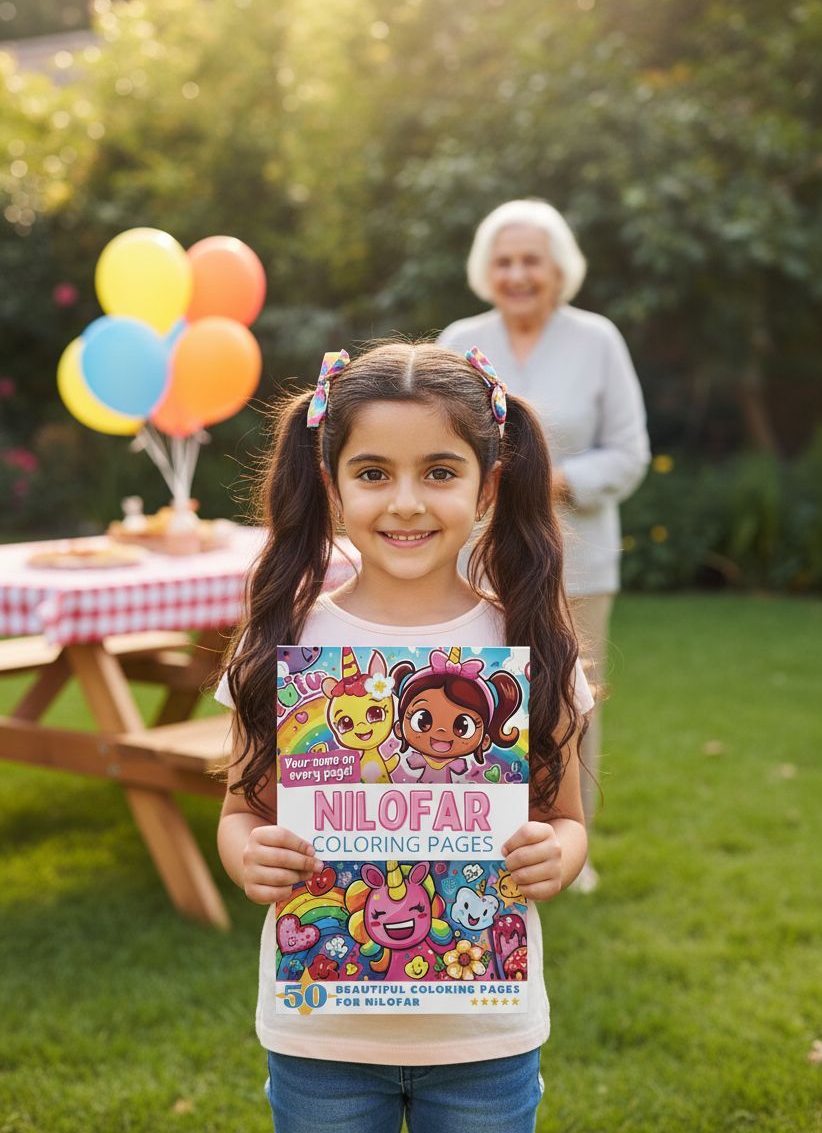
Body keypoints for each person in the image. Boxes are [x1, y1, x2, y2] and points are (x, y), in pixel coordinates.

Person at [215, 341, 595, 1133]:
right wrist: (248, 853)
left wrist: (554, 856)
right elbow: (240, 811)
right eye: (374, 472)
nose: (407, 503)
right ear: (332, 484)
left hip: (485, 1032)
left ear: (488, 484)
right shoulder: (284, 638)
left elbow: (567, 822)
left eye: (441, 472)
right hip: (322, 1029)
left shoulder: (528, 641)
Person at [437, 199, 649, 891]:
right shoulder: (460, 339)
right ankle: (470, 842)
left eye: (532, 260)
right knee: (474, 696)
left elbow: (629, 452)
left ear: (559, 270)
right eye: (504, 261)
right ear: (485, 271)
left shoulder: (598, 340)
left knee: (570, 702)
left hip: (577, 557)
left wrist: (550, 481)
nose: (518, 273)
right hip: (474, 557)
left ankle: (565, 849)